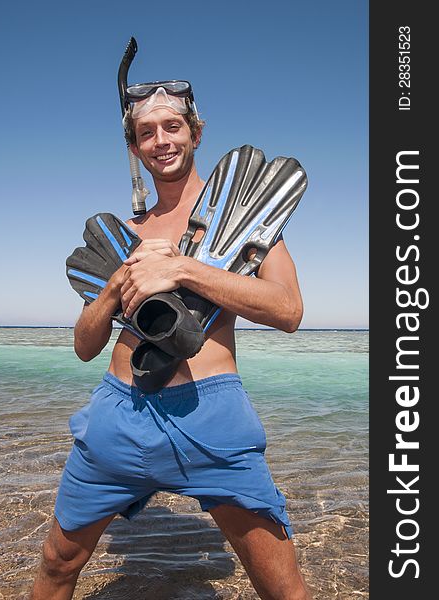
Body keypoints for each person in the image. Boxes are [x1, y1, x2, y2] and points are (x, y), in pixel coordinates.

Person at [30, 82, 312, 600]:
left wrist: (182, 269)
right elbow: (84, 344)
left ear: (195, 133)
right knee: (57, 562)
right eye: (146, 132)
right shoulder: (129, 234)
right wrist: (117, 285)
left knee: (280, 585)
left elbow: (288, 310)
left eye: (172, 126)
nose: (161, 140)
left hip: (209, 416)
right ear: (135, 148)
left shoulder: (251, 225)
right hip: (117, 413)